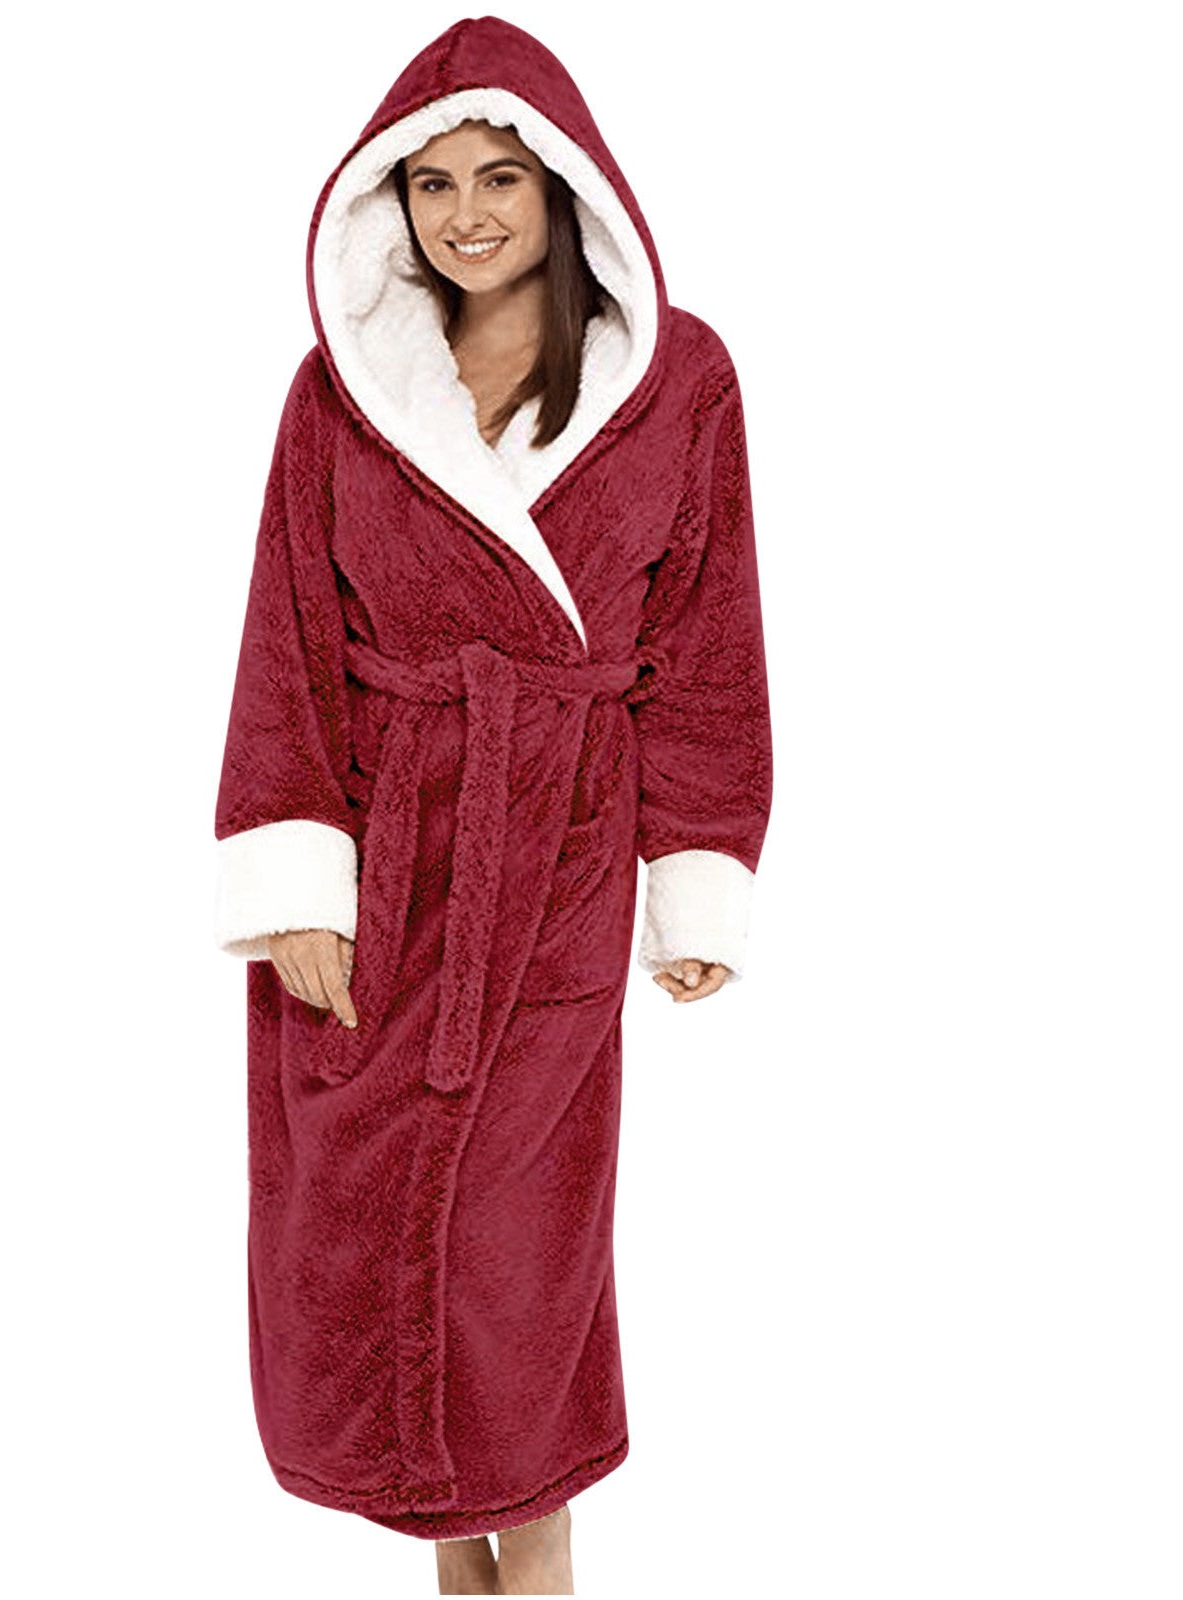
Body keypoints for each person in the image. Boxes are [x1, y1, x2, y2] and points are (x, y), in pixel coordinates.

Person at [211, 16, 773, 1594]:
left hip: (558, 869)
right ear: (392, 201)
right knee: (380, 1234)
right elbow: (287, 639)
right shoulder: (342, 391)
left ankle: (541, 1573)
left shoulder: (677, 380)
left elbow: (707, 642)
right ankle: (458, 1575)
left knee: (515, 1272)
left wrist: (694, 866)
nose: (467, 212)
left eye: (501, 178)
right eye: (435, 182)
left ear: (565, 186)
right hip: (383, 865)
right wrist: (297, 886)